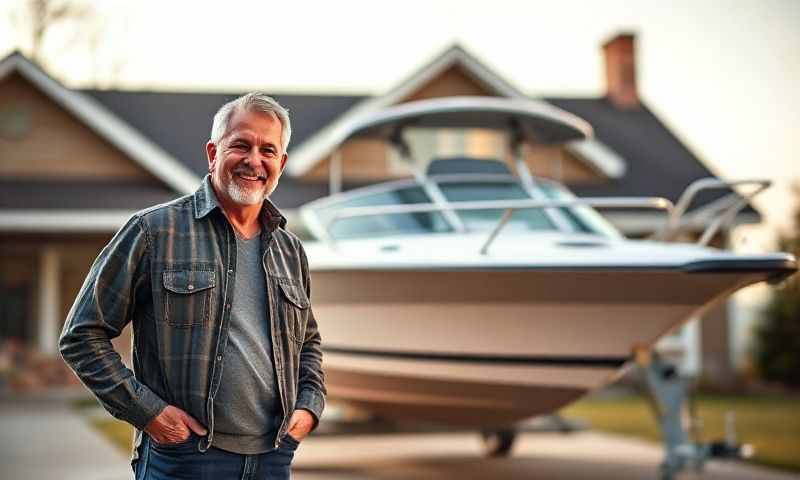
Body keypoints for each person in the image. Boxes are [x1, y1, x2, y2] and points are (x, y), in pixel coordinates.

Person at [59, 93, 325, 480]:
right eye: (241, 145)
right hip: (186, 459)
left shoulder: (290, 249)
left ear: (281, 164)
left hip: (273, 459)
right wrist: (150, 414)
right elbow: (81, 336)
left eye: (268, 150)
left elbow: (308, 344)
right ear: (213, 152)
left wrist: (308, 408)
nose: (254, 160)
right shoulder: (154, 231)